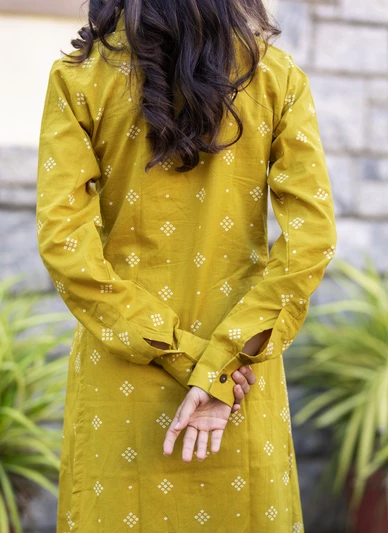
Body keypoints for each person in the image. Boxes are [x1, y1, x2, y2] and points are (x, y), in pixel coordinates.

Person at [36, 1, 337, 531]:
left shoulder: (81, 77)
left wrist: (180, 354)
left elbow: (65, 243)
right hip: (241, 376)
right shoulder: (275, 76)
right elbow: (311, 241)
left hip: (123, 370)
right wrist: (221, 364)